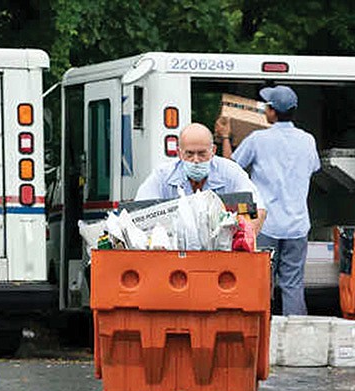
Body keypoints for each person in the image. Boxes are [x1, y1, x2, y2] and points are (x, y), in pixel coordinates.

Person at [217, 85, 320, 315]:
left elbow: (231, 168)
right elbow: (315, 167)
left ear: (272, 112)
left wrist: (225, 137)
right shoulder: (308, 140)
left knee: (261, 282)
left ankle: (260, 330)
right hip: (297, 225)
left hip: (265, 225)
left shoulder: (258, 139)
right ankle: (294, 334)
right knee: (292, 283)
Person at [136, 122, 266, 234]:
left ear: (213, 151)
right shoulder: (162, 176)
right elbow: (138, 212)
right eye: (190, 154)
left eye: (202, 153)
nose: (196, 160)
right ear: (179, 153)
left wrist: (244, 240)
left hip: (223, 253)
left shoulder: (231, 172)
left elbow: (258, 209)